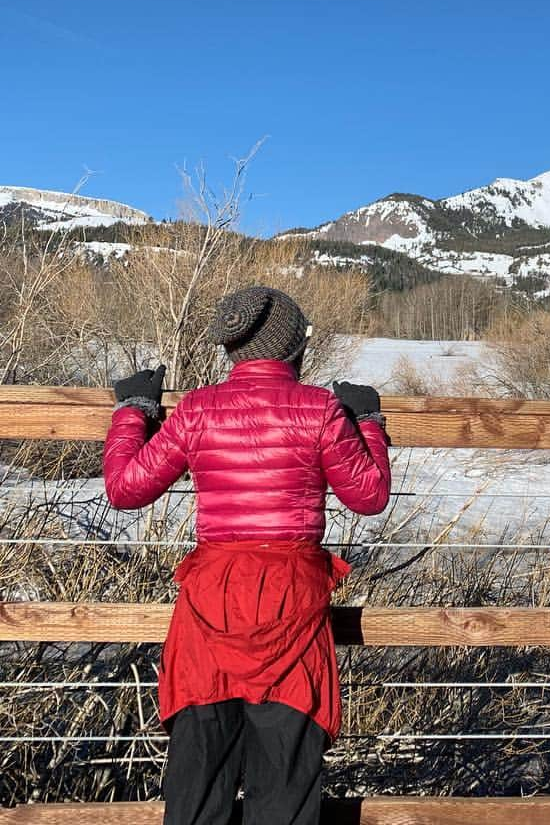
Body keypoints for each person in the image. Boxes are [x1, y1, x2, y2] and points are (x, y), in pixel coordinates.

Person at [103, 285, 391, 825]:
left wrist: (133, 409)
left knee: (198, 784)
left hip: (211, 603)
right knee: (283, 789)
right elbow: (368, 495)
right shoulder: (321, 410)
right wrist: (369, 422)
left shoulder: (196, 409)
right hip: (292, 603)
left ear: (234, 350)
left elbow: (125, 488)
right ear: (291, 350)